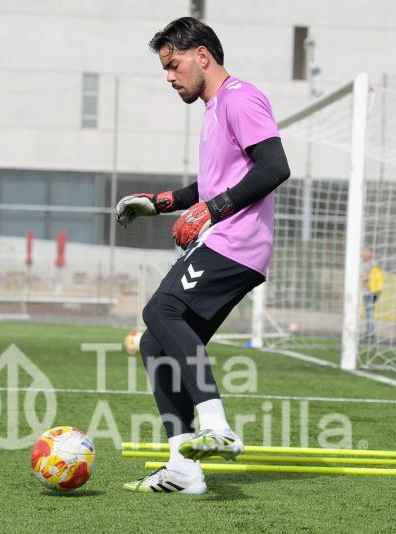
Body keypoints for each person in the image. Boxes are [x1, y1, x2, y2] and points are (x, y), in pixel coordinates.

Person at [115, 17, 291, 494]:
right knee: (155, 342)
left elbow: (275, 166)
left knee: (161, 309)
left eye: (173, 65)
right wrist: (159, 202)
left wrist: (212, 211)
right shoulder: (214, 109)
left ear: (203, 56)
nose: (170, 77)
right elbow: (211, 184)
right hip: (223, 240)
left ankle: (219, 427)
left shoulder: (239, 97)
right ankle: (184, 468)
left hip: (237, 242)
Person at [361, 247, 381, 340]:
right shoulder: (366, 264)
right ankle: (369, 331)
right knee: (369, 312)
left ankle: (370, 333)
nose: (363, 254)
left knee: (369, 312)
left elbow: (375, 276)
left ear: (369, 254)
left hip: (370, 292)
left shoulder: (371, 264)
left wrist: (366, 278)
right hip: (367, 291)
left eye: (365, 252)